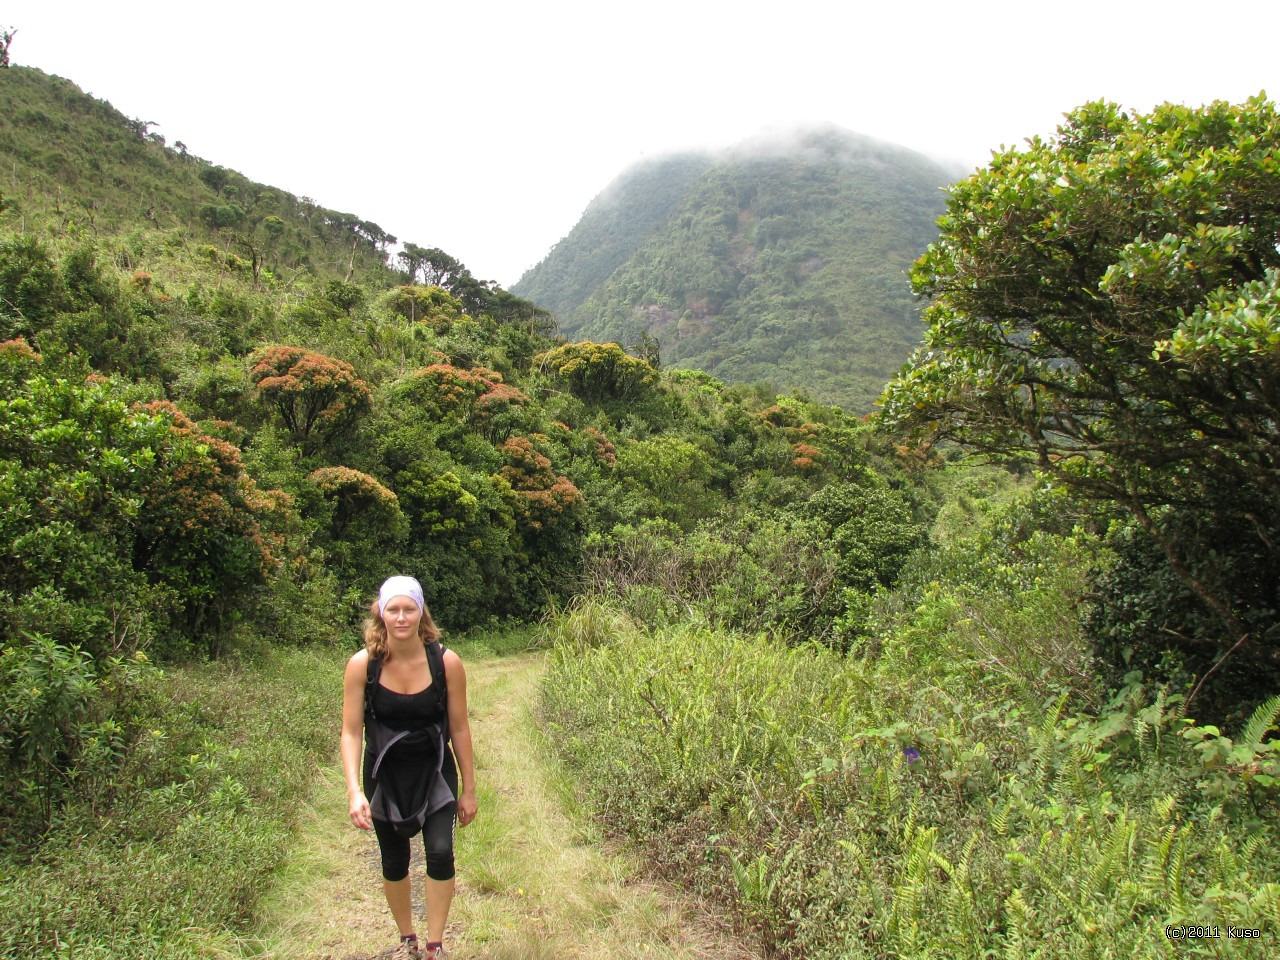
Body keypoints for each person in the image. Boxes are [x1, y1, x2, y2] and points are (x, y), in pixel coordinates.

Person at [341, 576, 478, 960]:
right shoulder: (362, 665)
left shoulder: (446, 662)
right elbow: (351, 732)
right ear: (380, 614)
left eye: (409, 609)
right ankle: (407, 940)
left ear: (422, 613)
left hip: (435, 770)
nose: (401, 617)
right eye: (393, 609)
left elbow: (460, 727)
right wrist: (354, 790)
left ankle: (434, 945)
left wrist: (468, 788)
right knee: (394, 858)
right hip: (383, 775)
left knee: (439, 852)